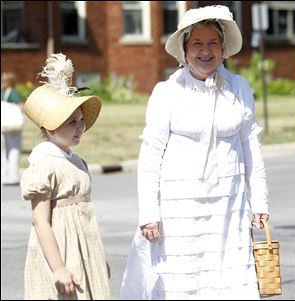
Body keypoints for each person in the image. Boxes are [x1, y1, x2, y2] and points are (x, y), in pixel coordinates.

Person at [120, 5, 269, 300]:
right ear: (184, 51)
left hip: (228, 208)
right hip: (180, 210)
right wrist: (149, 213)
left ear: (223, 49)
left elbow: (252, 148)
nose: (205, 51)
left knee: (226, 279)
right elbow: (150, 156)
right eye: (197, 44)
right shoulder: (167, 91)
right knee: (184, 281)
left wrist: (259, 201)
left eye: (213, 43)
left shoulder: (239, 88)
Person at [20, 53, 111, 300]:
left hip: (85, 249)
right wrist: (58, 268)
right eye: (71, 122)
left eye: (81, 120)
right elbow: (41, 222)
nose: (80, 127)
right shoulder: (44, 164)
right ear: (50, 128)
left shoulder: (77, 161)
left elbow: (85, 219)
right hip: (59, 251)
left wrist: (96, 258)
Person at [1, 72, 23, 185]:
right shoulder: (13, 92)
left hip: (3, 126)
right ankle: (13, 176)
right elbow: (20, 106)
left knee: (4, 151)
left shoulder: (2, 93)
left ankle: (4, 175)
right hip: (13, 126)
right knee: (14, 150)